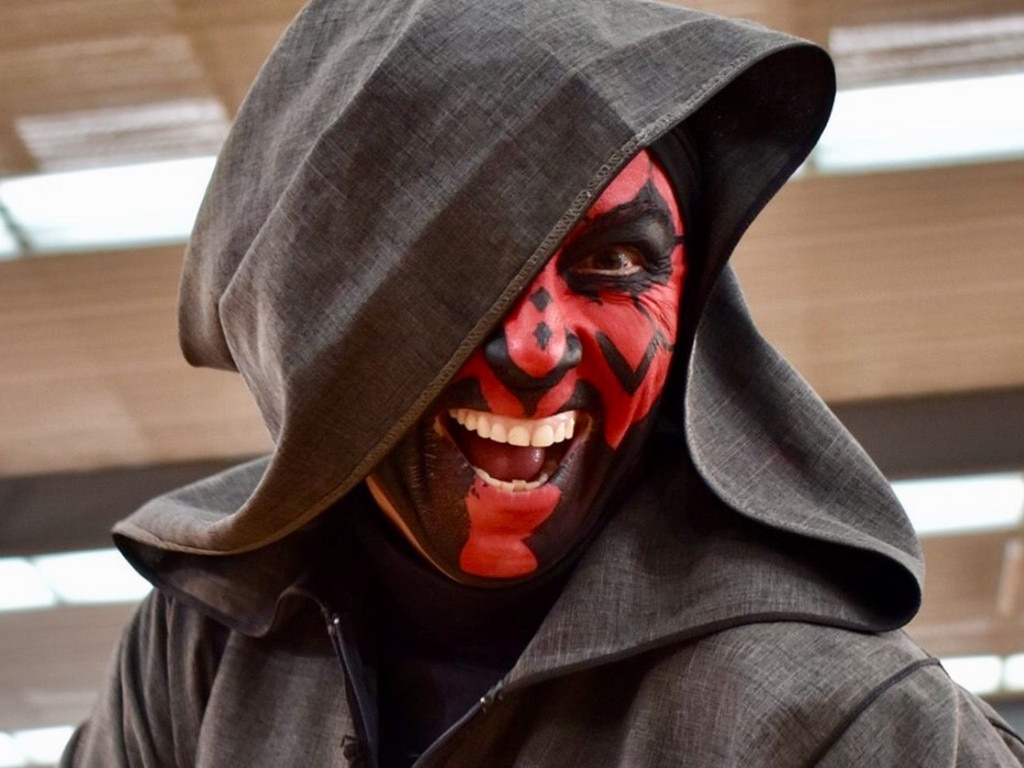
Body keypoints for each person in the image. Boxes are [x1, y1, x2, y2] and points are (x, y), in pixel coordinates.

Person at [61, 0, 1024, 765]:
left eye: (611, 263)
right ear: (317, 314)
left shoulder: (843, 727)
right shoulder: (206, 646)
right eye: (460, 266)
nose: (534, 350)